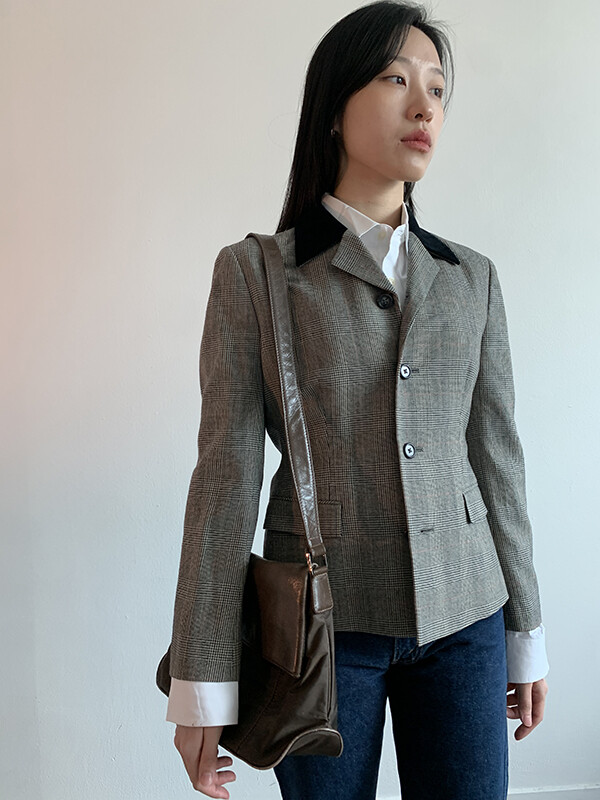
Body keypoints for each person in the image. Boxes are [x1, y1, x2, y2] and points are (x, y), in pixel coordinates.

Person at [162, 2, 549, 798]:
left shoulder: (471, 278)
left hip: (467, 616)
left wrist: (526, 629)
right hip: (319, 630)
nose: (424, 106)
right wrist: (202, 677)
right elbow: (226, 479)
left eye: (437, 88)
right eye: (396, 79)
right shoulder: (257, 275)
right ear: (334, 109)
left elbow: (498, 463)